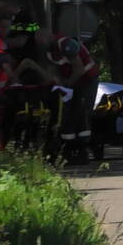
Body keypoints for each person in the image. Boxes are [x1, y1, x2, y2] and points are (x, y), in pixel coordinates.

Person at [35, 28, 99, 163]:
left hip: (87, 80)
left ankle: (82, 149)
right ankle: (70, 148)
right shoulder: (49, 51)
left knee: (81, 112)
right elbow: (55, 71)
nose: (40, 43)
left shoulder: (65, 44)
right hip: (73, 82)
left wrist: (66, 84)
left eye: (41, 40)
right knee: (68, 114)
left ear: (48, 36)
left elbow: (79, 69)